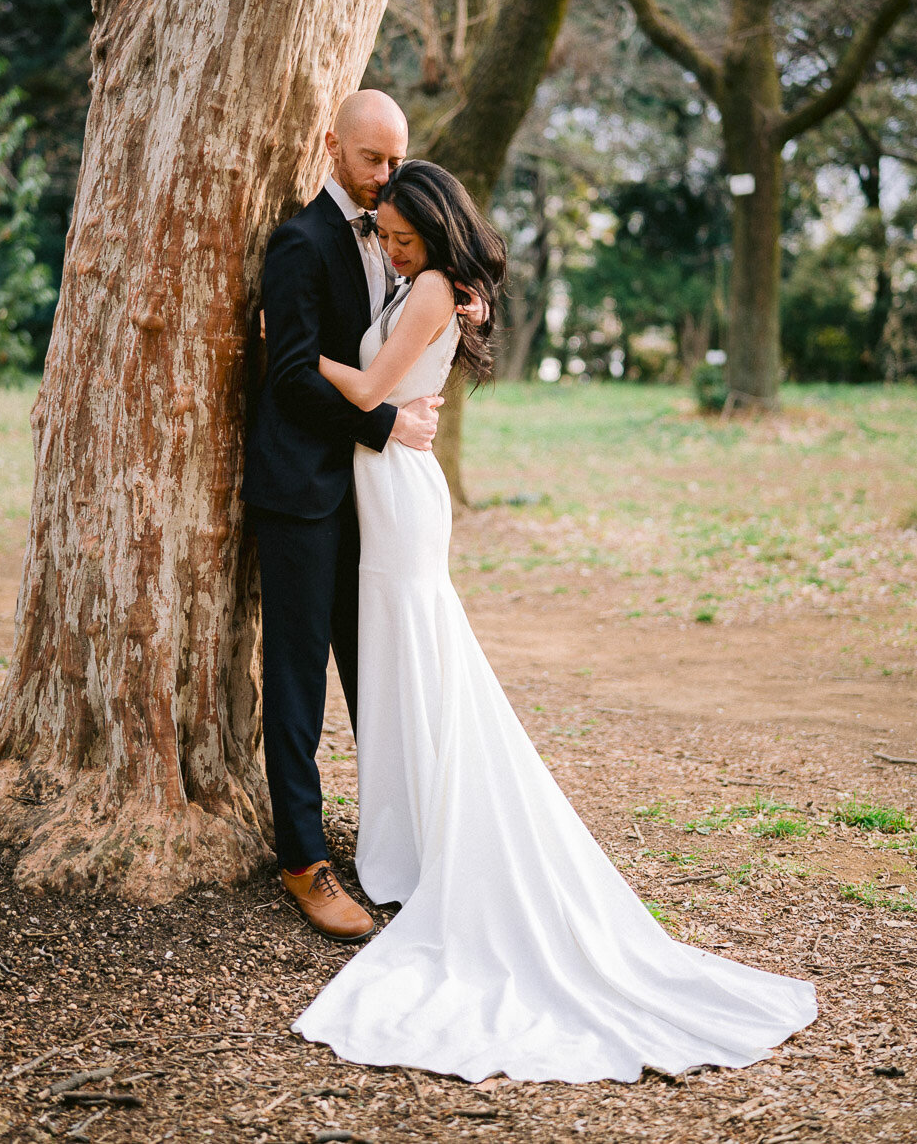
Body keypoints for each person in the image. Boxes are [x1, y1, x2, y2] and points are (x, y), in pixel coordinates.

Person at [291, 157, 817, 1085]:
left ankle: (422, 842)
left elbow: (369, 393)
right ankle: (405, 833)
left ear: (439, 234)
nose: (393, 243)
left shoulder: (432, 291)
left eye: (406, 236)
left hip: (399, 496)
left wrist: (296, 357)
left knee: (418, 655)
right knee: (407, 665)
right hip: (387, 490)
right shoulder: (434, 284)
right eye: (390, 232)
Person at [242, 91, 441, 944]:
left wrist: (458, 308)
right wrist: (384, 422)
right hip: (301, 492)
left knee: (379, 670)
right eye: (371, 159)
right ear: (332, 147)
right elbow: (287, 374)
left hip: (375, 500)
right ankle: (303, 856)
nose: (386, 175)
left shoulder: (401, 247)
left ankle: (395, 841)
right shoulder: (298, 242)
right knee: (295, 680)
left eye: (397, 159)